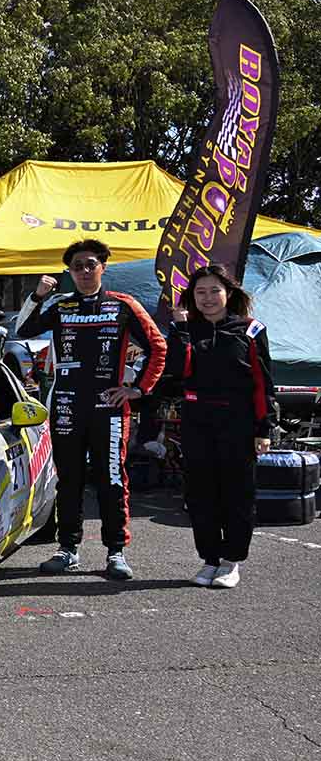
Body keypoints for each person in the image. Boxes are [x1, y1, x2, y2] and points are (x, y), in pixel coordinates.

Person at [17, 238, 166, 580]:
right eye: (77, 267)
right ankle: (67, 549)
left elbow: (159, 348)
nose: (84, 271)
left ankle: (116, 551)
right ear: (69, 272)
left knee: (111, 479)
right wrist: (37, 295)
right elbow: (23, 329)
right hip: (67, 407)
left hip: (109, 411)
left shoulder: (123, 305)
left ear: (103, 268)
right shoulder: (60, 307)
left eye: (90, 265)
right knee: (68, 481)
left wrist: (137, 389)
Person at [157, 265, 275, 589]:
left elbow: (263, 384)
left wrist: (264, 429)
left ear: (229, 293)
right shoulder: (184, 328)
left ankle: (231, 561)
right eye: (200, 292)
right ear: (191, 298)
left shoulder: (251, 329)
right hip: (197, 420)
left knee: (237, 495)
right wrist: (180, 330)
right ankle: (209, 559)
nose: (208, 298)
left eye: (214, 291)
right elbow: (177, 372)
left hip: (238, 422)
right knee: (200, 495)